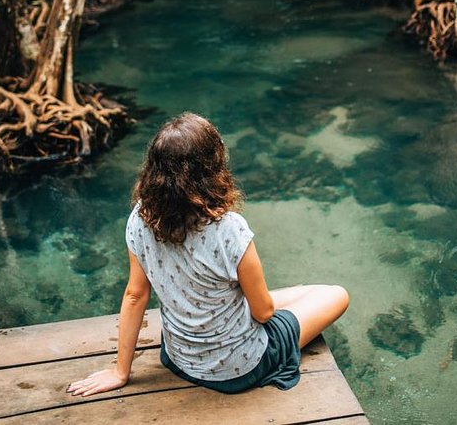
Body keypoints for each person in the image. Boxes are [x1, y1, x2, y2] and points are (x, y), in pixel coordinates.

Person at [67, 113, 349, 396]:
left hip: (179, 358)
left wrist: (120, 371)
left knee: (297, 292)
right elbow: (263, 313)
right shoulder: (228, 229)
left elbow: (134, 295)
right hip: (240, 366)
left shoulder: (141, 218)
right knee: (335, 294)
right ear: (212, 168)